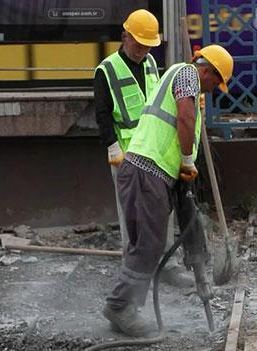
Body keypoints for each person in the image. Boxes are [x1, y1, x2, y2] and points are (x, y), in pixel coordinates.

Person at [102, 44, 234, 336]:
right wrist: (187, 161)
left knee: (145, 245)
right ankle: (120, 306)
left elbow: (185, 122)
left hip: (150, 173)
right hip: (146, 171)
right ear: (207, 70)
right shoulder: (187, 73)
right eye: (215, 82)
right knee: (149, 244)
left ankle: (124, 307)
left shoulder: (185, 82)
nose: (212, 90)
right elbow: (184, 119)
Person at [94, 9, 192, 288]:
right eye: (138, 44)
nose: (142, 50)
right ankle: (133, 270)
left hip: (157, 153)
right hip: (126, 155)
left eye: (147, 45)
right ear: (124, 36)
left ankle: (168, 267)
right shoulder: (107, 69)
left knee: (164, 210)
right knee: (132, 216)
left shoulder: (150, 63)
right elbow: (102, 114)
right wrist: (112, 146)